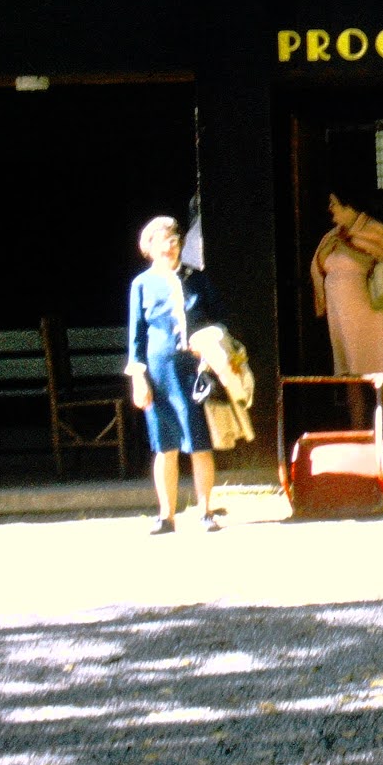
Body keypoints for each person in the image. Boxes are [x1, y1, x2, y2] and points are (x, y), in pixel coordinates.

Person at [126, 215, 223, 534]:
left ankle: (205, 511)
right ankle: (166, 514)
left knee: (199, 443)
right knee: (164, 444)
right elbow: (136, 337)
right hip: (159, 375)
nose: (169, 246)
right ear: (148, 247)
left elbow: (220, 322)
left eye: (174, 239)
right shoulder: (141, 285)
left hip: (194, 372)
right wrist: (138, 378)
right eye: (162, 240)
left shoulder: (198, 279)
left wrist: (207, 344)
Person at [309, 190, 383, 450]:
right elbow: (318, 269)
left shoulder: (377, 232)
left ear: (349, 204)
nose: (330, 209)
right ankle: (360, 442)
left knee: (381, 376)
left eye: (334, 203)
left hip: (372, 317)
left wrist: (353, 251)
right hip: (343, 319)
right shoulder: (331, 237)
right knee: (351, 379)